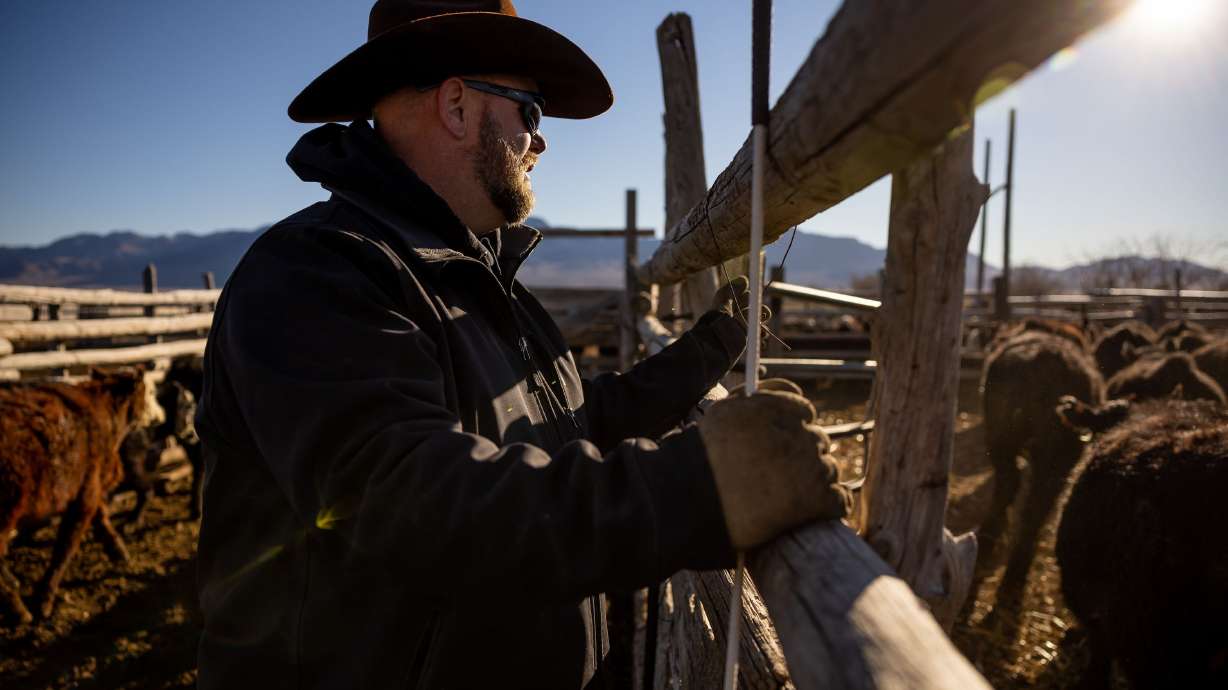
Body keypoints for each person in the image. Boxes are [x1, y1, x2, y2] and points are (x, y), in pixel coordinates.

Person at [194, 1, 850, 688]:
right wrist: (706, 486)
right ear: (456, 107)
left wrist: (710, 346)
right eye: (530, 112)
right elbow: (418, 502)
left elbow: (565, 423)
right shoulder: (316, 276)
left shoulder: (474, 277)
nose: (541, 142)